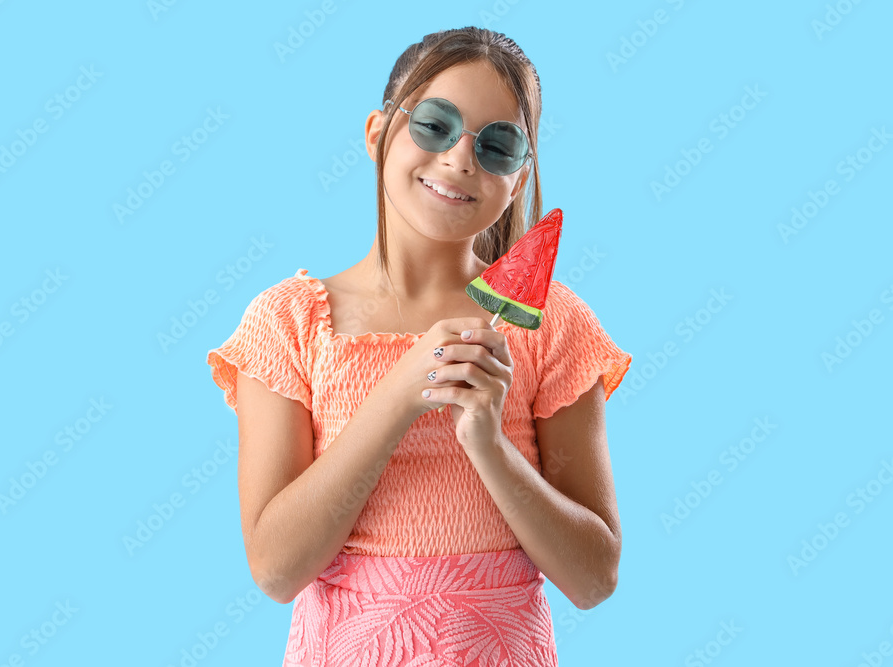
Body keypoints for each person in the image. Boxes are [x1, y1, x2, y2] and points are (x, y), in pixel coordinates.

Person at [206, 26, 632, 666]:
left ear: (518, 178)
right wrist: (400, 395)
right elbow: (276, 569)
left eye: (498, 145)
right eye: (435, 126)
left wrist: (487, 445)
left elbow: (593, 578)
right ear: (378, 133)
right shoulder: (288, 322)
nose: (461, 160)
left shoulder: (552, 323)